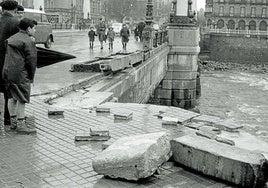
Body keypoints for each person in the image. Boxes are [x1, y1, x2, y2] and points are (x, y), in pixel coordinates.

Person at [2, 18, 37, 134]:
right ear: (28, 29)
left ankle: (13, 123)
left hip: (7, 71)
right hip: (20, 73)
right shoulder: (28, 41)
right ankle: (21, 126)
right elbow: (31, 61)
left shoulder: (11, 39)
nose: (35, 30)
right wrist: (31, 77)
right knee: (22, 98)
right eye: (34, 28)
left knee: (11, 97)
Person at [0, 0, 21, 128]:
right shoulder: (15, 22)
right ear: (14, 10)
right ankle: (8, 120)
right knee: (9, 93)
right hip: (7, 61)